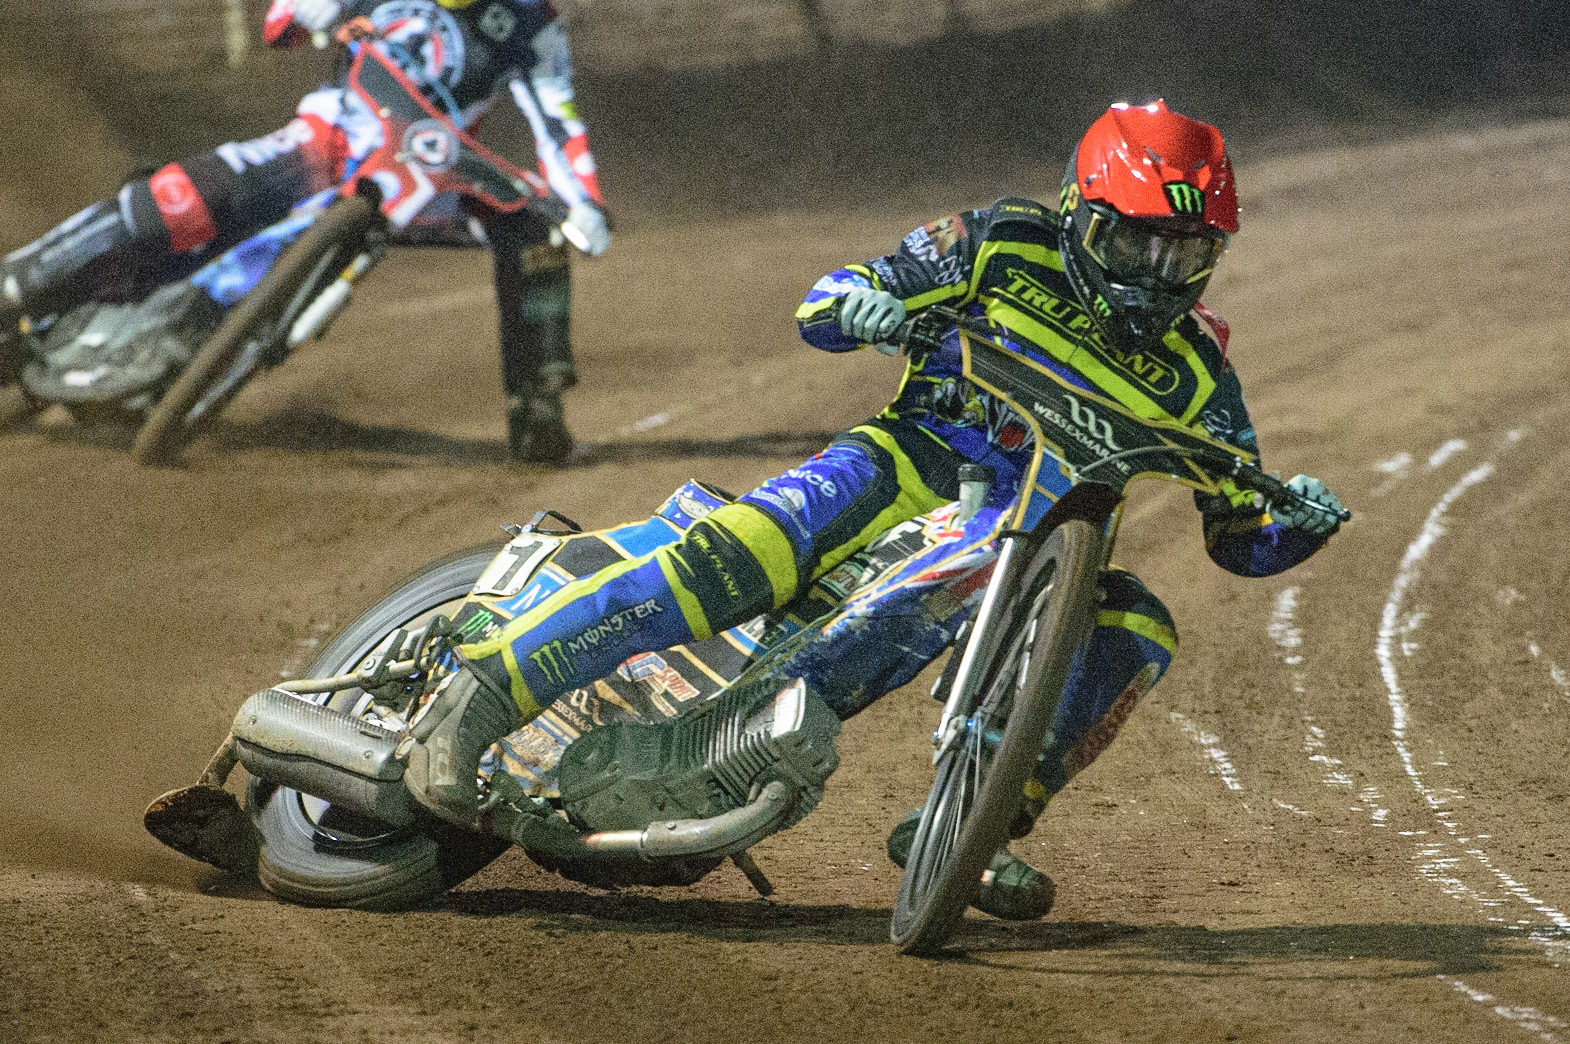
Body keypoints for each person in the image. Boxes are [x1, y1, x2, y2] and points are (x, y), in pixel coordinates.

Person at [399, 100, 1345, 919]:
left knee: (1141, 621)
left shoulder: (1200, 374)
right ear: (1077, 212)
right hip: (901, 466)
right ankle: (481, 697)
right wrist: (861, 306)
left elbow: (1239, 533)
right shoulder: (1000, 241)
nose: (1151, 271)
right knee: (742, 557)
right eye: (1132, 240)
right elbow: (835, 294)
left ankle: (975, 815)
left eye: (1183, 253)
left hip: (1025, 559)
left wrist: (1290, 524)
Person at [0, 0, 609, 462]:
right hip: (331, 138)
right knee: (182, 198)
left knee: (536, 232)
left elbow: (559, 121)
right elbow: (280, 26)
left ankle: (538, 405)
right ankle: (20, 285)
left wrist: (585, 203)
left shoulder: (531, 22)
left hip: (428, 186)